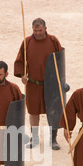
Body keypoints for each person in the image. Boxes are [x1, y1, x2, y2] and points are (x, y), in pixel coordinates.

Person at [14, 18, 62, 150]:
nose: (37, 33)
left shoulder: (53, 40)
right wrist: (22, 75)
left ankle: (53, 139)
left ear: (45, 29)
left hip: (51, 84)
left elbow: (60, 60)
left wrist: (60, 81)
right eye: (35, 31)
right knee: (33, 111)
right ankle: (34, 138)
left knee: (52, 111)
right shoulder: (27, 42)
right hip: (33, 84)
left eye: (40, 30)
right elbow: (20, 60)